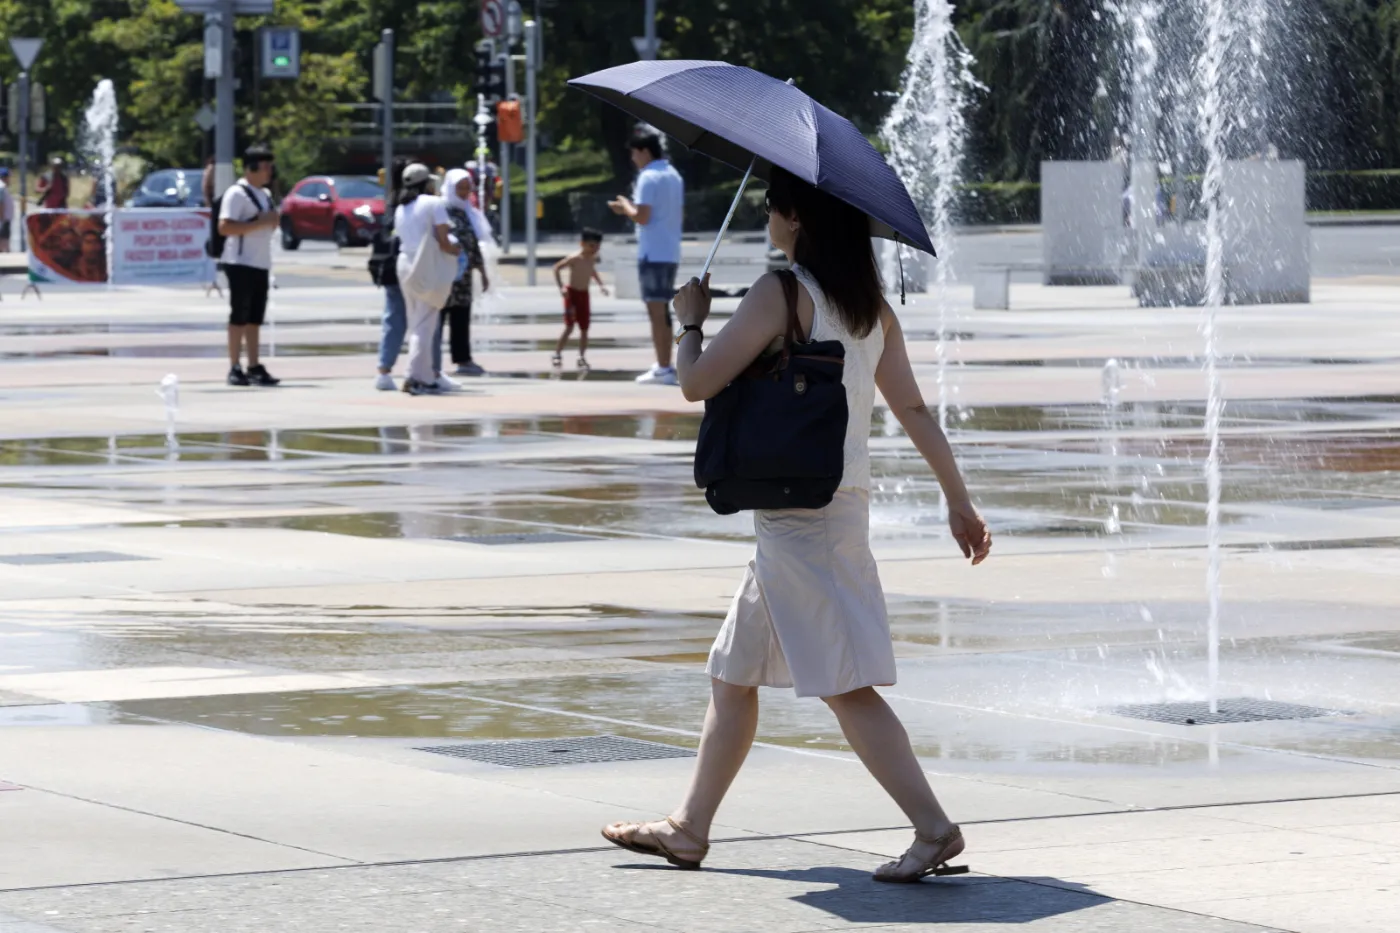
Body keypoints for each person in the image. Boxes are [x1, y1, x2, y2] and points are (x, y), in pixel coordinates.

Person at [601, 168, 992, 881]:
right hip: (830, 507)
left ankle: (934, 829)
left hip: (800, 520)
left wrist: (689, 319)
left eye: (774, 209)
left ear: (797, 219)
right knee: (733, 671)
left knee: (843, 682)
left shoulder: (779, 294)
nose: (768, 220)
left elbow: (695, 381)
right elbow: (914, 410)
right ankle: (689, 828)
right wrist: (957, 499)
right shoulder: (869, 306)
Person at [609, 126, 684, 386]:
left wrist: (624, 207)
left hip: (653, 251)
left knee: (656, 309)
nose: (633, 159)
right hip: (670, 249)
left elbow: (642, 215)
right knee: (662, 308)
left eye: (634, 153)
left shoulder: (648, 177)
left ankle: (664, 367)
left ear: (644, 151)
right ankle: (665, 363)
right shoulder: (673, 175)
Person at [394, 162, 460, 396]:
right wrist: (456, 249)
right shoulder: (434, 203)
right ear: (426, 183)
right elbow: (443, 240)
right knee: (425, 324)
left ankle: (425, 376)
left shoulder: (401, 208)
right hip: (426, 265)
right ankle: (413, 377)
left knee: (417, 322)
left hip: (404, 264)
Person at [217, 145, 281, 387]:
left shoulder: (264, 194)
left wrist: (272, 222)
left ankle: (254, 365)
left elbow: (266, 225)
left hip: (260, 262)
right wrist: (259, 222)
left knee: (255, 317)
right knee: (239, 316)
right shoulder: (236, 193)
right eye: (265, 166)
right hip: (240, 262)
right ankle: (234, 366)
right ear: (251, 167)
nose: (269, 172)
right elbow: (225, 227)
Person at [441, 168, 491, 378]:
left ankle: (463, 359)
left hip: (463, 278)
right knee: (437, 318)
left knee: (461, 318)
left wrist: (482, 271)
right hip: (443, 274)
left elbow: (473, 244)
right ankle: (430, 361)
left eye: (466, 187)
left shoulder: (468, 211)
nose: (463, 192)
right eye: (459, 188)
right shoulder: (440, 209)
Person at [373, 158, 409, 391]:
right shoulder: (407, 203)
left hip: (392, 269)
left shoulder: (391, 202)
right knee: (422, 321)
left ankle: (385, 369)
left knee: (394, 318)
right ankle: (428, 371)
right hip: (406, 268)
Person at [551, 228, 608, 371]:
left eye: (597, 246)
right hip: (572, 294)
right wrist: (562, 288)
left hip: (584, 295)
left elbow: (592, 271)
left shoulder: (593, 258)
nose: (595, 249)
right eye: (592, 246)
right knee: (570, 326)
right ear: (582, 244)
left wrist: (601, 285)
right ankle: (557, 353)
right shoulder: (574, 258)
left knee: (584, 328)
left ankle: (581, 357)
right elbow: (557, 268)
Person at [0, 167, 13, 252]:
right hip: (3, 219)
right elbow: (1, 203)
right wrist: (2, 218)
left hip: (4, 218)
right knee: (4, 239)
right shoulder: (1, 187)